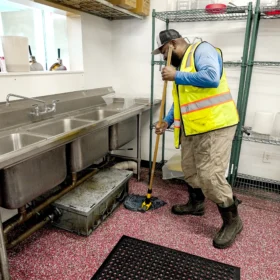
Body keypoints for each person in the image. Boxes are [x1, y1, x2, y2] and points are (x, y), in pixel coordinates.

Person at [152, 29, 243, 249]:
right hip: (194, 127)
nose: (164, 58)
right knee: (190, 170)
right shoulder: (182, 66)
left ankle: (233, 221)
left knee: (210, 175)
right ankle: (197, 204)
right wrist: (166, 119)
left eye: (164, 52)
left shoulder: (203, 50)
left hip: (216, 125)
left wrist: (176, 76)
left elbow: (212, 78)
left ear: (173, 44)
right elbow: (181, 101)